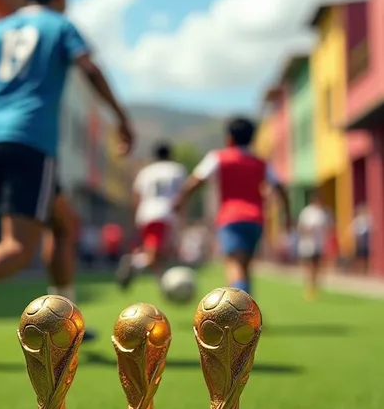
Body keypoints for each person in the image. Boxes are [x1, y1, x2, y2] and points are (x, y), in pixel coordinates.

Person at [0, 0, 133, 348]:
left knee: (63, 223)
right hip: (30, 139)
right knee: (19, 244)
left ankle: (66, 323)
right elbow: (91, 70)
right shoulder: (59, 25)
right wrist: (121, 118)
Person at [174, 116, 290, 295]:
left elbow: (196, 180)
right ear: (252, 138)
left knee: (234, 264)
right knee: (245, 266)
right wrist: (287, 214)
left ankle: (238, 311)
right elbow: (280, 187)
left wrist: (180, 200)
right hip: (256, 220)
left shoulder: (219, 158)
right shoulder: (261, 163)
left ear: (229, 138)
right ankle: (248, 313)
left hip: (231, 218)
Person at [116, 143, 187, 288]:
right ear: (170, 154)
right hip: (165, 213)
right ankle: (135, 263)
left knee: (159, 253)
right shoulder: (177, 170)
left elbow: (136, 196)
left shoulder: (146, 172)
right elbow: (183, 194)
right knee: (155, 253)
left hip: (145, 213)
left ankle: (162, 284)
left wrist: (136, 216)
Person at [297, 191, 332, 300]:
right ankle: (309, 287)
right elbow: (301, 227)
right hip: (308, 244)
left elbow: (329, 227)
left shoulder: (324, 213)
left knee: (317, 267)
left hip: (319, 244)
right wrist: (308, 231)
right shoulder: (307, 212)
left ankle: (314, 287)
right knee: (309, 266)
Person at [351, 203, 371, 273]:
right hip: (359, 241)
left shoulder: (368, 219)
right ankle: (359, 271)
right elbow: (353, 231)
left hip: (366, 242)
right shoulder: (357, 220)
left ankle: (366, 271)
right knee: (359, 257)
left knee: (366, 257)